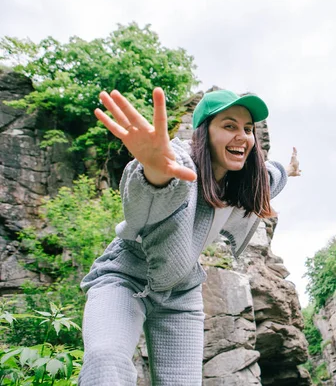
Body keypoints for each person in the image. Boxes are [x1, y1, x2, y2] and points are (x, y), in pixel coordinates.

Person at [78, 87, 300, 385]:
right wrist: (154, 171)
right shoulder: (180, 165)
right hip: (125, 277)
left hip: (181, 292)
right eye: (229, 125)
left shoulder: (247, 181)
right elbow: (142, 202)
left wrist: (289, 169)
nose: (243, 136)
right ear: (204, 132)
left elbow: (273, 174)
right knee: (106, 359)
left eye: (248, 129)